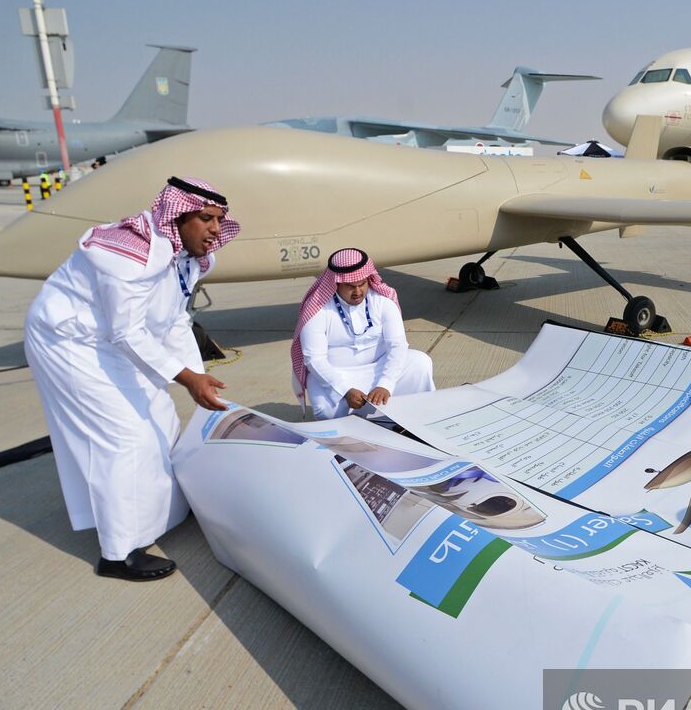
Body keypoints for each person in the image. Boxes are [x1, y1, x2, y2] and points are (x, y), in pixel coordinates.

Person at [24, 177, 239, 581]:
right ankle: (117, 553)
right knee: (123, 438)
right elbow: (127, 332)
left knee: (161, 420)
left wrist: (198, 378)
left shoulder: (188, 257)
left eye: (220, 220)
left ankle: (162, 518)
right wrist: (187, 378)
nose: (215, 229)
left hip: (112, 340)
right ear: (178, 216)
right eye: (206, 218)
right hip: (71, 342)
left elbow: (175, 319)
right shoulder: (128, 254)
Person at [291, 247, 435, 420]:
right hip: (336, 376)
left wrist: (385, 385)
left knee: (420, 363)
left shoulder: (382, 301)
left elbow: (397, 346)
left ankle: (420, 418)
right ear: (336, 283)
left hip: (379, 370)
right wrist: (345, 391)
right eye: (351, 286)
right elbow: (314, 359)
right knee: (326, 410)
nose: (358, 291)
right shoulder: (317, 310)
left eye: (362, 284)